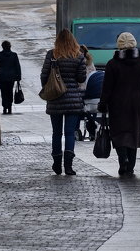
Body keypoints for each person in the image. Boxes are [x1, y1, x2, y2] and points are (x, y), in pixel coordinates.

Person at [98, 32, 140, 176]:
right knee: (134, 133)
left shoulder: (112, 64)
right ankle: (131, 166)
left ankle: (123, 159)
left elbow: (106, 88)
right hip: (136, 104)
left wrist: (103, 104)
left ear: (119, 45)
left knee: (119, 133)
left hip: (117, 104)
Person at [40, 28, 87, 175]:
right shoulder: (79, 56)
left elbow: (44, 76)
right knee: (69, 133)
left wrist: (52, 87)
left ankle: (56, 164)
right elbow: (81, 78)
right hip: (73, 99)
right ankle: (68, 166)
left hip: (55, 99)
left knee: (56, 133)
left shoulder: (52, 55)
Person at [0, 40, 21, 114]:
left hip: (2, 77)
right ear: (10, 46)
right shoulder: (14, 55)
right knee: (10, 91)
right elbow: (17, 66)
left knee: (3, 92)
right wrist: (18, 77)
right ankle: (9, 107)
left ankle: (5, 107)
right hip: (11, 77)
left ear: (2, 47)